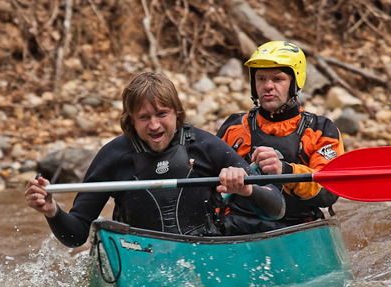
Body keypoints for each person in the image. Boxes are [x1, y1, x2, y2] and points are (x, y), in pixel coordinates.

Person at [25, 71, 285, 247]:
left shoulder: (205, 146)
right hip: (139, 255)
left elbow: (276, 209)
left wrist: (247, 188)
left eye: (162, 114)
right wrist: (52, 211)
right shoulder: (113, 156)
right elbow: (78, 234)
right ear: (130, 120)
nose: (154, 125)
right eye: (143, 117)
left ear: (177, 113)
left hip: (205, 250)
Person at [216, 40, 345, 229]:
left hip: (296, 229)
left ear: (294, 83)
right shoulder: (235, 126)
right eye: (261, 79)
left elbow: (328, 193)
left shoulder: (320, 129)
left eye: (277, 79)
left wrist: (285, 170)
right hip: (237, 225)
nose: (268, 86)